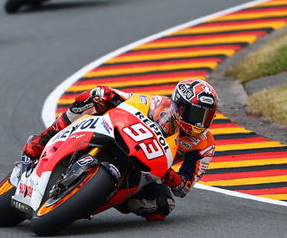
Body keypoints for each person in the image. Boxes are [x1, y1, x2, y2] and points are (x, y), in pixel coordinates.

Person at [23, 78, 218, 220]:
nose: (199, 122)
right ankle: (43, 139)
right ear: (180, 106)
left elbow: (183, 188)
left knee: (162, 207)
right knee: (92, 99)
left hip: (147, 168)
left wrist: (169, 177)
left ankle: (98, 197)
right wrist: (107, 94)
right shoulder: (158, 104)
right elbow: (128, 99)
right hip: (121, 137)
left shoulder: (204, 143)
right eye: (196, 114)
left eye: (206, 117)